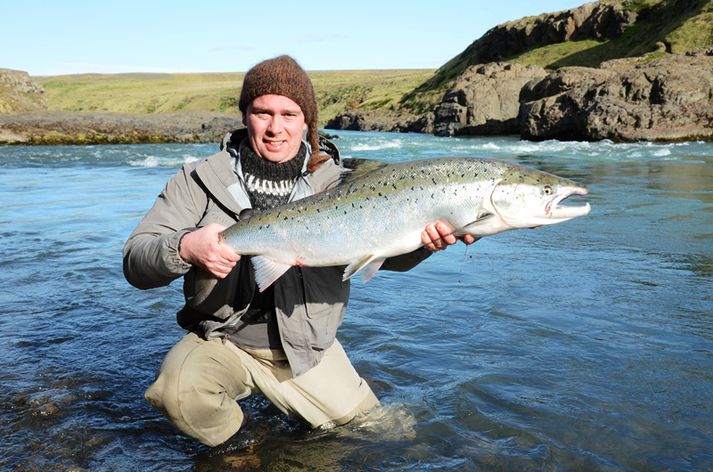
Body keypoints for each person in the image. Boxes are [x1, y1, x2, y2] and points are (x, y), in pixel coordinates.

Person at [123, 55, 475, 447]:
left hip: (306, 351)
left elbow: (388, 253)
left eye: (289, 114)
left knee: (387, 437)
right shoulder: (198, 180)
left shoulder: (341, 185)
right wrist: (186, 247)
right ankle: (242, 443)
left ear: (307, 121)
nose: (276, 128)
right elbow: (136, 260)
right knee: (176, 393)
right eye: (263, 112)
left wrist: (427, 244)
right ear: (244, 116)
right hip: (223, 341)